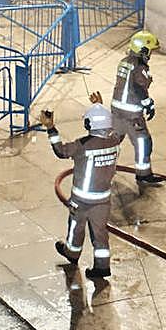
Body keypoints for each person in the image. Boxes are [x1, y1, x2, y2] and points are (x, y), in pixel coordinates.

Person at [42, 92, 122, 280]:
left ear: (88, 124)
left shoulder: (82, 145)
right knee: (100, 234)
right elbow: (110, 127)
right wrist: (100, 107)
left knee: (76, 227)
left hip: (82, 200)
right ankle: (102, 267)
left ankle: (72, 253)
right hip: (103, 200)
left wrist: (51, 128)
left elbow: (61, 151)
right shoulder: (115, 141)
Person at [109, 30, 162, 185]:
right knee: (143, 143)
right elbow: (139, 87)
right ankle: (143, 175)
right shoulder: (139, 67)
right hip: (131, 114)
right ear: (144, 50)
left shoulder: (124, 61)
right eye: (150, 51)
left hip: (116, 110)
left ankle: (103, 170)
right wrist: (148, 104)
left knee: (111, 142)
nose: (151, 54)